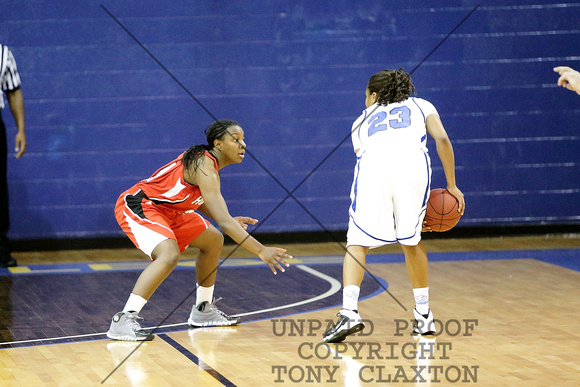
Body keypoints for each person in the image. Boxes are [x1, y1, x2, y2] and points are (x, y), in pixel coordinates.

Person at [107, 119, 292, 341]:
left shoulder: (208, 165)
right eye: (236, 139)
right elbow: (224, 221)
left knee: (213, 240)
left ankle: (203, 310)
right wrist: (261, 250)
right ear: (218, 143)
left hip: (171, 209)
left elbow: (197, 201)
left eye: (243, 140)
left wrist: (227, 219)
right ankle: (124, 319)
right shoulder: (205, 166)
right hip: (142, 204)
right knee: (168, 254)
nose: (243, 145)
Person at [323, 69, 465, 343]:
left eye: (365, 95)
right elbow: (443, 139)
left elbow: (367, 155)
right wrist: (452, 185)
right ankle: (423, 316)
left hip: (373, 171)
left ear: (373, 95)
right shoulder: (422, 105)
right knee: (411, 240)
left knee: (357, 241)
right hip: (412, 170)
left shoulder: (361, 120)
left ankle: (350, 311)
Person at [0, 44, 27, 268]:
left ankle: (1, 249)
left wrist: (20, 129)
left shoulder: (3, 53)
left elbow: (14, 91)